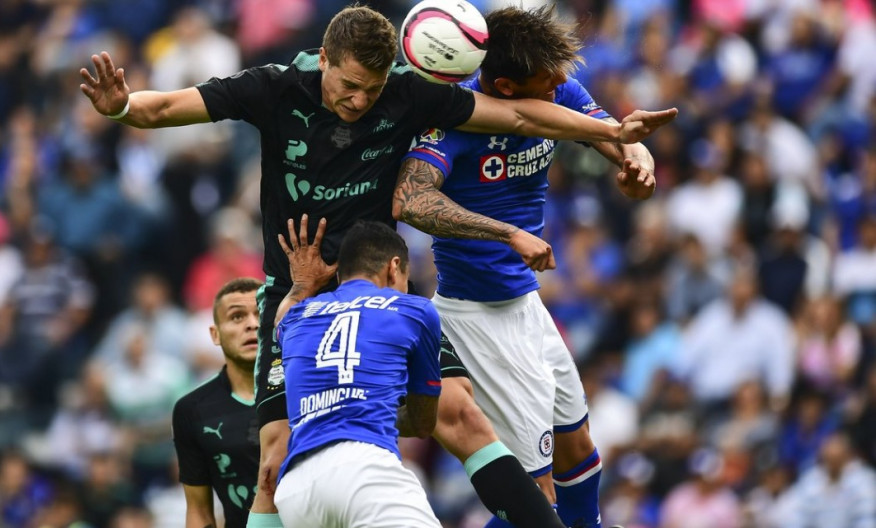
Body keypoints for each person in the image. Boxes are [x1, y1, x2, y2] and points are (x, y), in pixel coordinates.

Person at [80, 6, 677, 525]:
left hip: (378, 288)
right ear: (324, 59)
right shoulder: (275, 87)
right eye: (349, 85)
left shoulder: (406, 95)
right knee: (274, 461)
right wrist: (122, 106)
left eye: (372, 88)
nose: (360, 101)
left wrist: (611, 131)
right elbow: (166, 108)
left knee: (463, 415)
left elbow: (519, 116)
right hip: (296, 293)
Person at [392, 6, 668, 527]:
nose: (561, 86)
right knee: (533, 497)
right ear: (506, 86)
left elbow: (619, 137)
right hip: (478, 316)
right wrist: (506, 232)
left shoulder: (557, 91)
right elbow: (410, 199)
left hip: (524, 304)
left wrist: (639, 168)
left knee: (578, 449)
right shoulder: (455, 116)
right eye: (548, 82)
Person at [271, 216, 441, 527]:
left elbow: (280, 320)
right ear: (394, 267)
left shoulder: (297, 317)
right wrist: (362, 405)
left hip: (296, 491)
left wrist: (302, 285)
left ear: (340, 276)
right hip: (364, 471)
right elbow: (423, 422)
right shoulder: (416, 310)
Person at [171, 277, 263, 528]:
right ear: (215, 334)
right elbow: (199, 510)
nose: (252, 324)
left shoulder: (303, 392)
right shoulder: (192, 410)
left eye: (261, 314)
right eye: (237, 316)